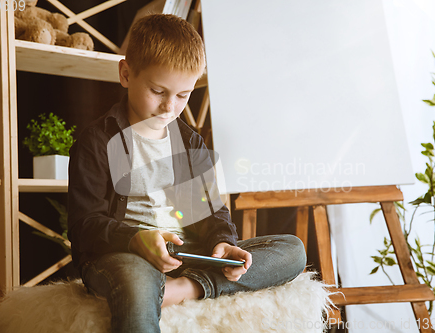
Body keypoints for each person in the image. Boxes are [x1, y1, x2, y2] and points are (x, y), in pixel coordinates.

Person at [67, 14, 306, 333]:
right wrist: (136, 240)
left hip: (186, 255)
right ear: (126, 74)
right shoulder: (97, 141)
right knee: (136, 277)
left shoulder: (190, 141)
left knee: (292, 250)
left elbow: (210, 210)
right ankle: (170, 285)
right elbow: (85, 225)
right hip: (122, 255)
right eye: (157, 91)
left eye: (183, 96)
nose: (169, 107)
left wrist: (223, 242)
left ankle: (185, 289)